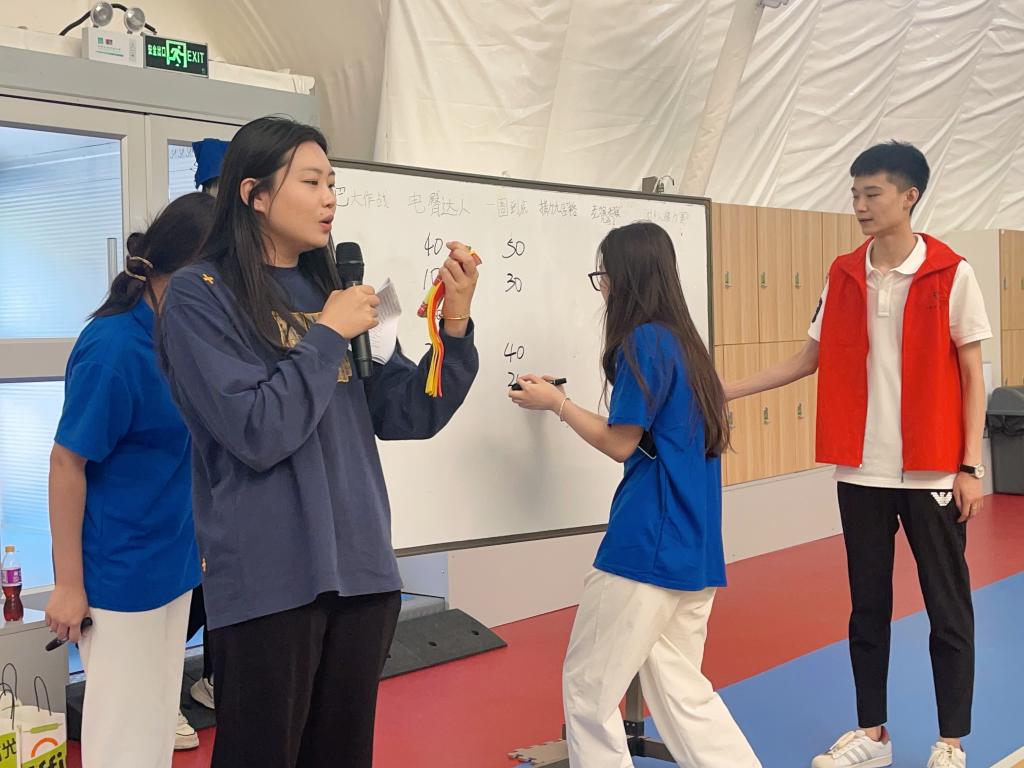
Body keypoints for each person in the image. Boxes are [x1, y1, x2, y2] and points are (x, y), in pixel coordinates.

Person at [157, 116, 480, 768]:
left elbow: (410, 412)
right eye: (311, 182)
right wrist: (327, 334)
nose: (329, 198)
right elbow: (256, 430)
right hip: (269, 576)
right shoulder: (201, 295)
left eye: (333, 183)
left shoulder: (340, 292)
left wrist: (454, 322)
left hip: (361, 570)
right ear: (254, 194)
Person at [723, 142, 990, 768]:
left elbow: (973, 375)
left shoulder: (952, 273)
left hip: (932, 469)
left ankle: (951, 742)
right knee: (867, 607)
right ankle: (873, 735)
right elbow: (808, 358)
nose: (860, 206)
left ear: (909, 196)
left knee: (948, 609)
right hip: (862, 470)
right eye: (855, 195)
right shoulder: (843, 274)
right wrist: (726, 388)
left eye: (872, 194)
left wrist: (969, 467)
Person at [509, 221, 761, 768]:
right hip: (694, 549)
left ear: (625, 277)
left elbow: (620, 443)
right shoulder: (687, 345)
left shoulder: (643, 342)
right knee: (685, 696)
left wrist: (556, 403)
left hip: (645, 546)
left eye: (604, 274)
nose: (602, 286)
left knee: (588, 691)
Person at [46, 192, 216, 765]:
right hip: (119, 575)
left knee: (155, 730)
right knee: (122, 741)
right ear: (187, 270)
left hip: (173, 563)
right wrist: (68, 586)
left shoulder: (182, 337)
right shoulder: (113, 349)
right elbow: (67, 464)